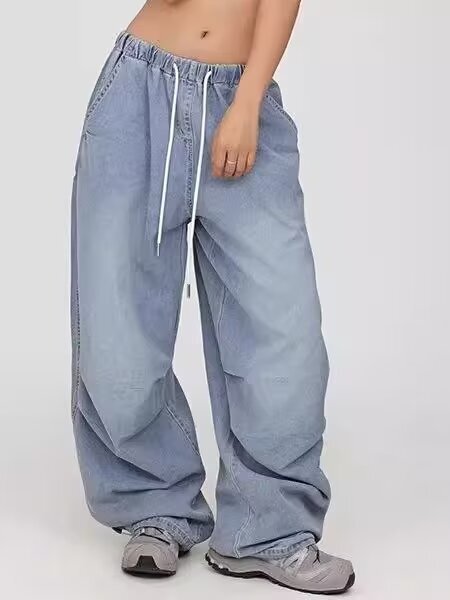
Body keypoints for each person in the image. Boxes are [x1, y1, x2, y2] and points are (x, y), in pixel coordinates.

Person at [71, 0, 355, 594]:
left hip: (241, 103)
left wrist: (248, 101)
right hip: (138, 96)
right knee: (116, 339)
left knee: (284, 336)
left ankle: (269, 531)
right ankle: (155, 508)